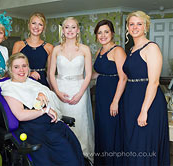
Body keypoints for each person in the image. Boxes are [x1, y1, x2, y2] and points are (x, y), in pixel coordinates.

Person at [0, 52, 85, 166]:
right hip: (33, 128)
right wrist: (45, 110)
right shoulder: (9, 88)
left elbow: (44, 97)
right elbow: (21, 115)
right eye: (16, 67)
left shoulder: (31, 82)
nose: (21, 70)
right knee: (67, 156)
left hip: (50, 124)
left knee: (73, 145)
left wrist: (40, 93)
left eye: (24, 66)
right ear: (10, 69)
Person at [122, 11, 170, 165]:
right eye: (131, 24)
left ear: (146, 27)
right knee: (132, 144)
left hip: (148, 102)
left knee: (143, 143)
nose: (135, 27)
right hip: (131, 100)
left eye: (139, 24)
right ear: (127, 28)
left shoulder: (151, 48)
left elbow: (154, 82)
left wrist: (144, 111)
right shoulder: (130, 50)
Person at [49, 17, 94, 162]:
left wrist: (80, 93)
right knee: (61, 121)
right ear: (63, 30)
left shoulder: (85, 49)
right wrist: (57, 92)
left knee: (80, 122)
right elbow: (51, 74)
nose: (70, 30)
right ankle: (64, 154)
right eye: (66, 27)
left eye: (73, 27)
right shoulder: (56, 49)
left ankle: (82, 155)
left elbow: (88, 75)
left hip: (79, 88)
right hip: (61, 88)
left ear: (78, 30)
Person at [92, 19, 127, 165]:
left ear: (112, 33)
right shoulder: (99, 51)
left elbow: (123, 77)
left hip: (113, 95)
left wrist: (115, 101)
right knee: (102, 130)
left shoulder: (117, 50)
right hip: (101, 95)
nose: (103, 35)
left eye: (106, 32)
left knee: (111, 131)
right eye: (99, 32)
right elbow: (97, 74)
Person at [12, 12, 53, 87]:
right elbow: (12, 69)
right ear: (29, 25)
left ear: (43, 28)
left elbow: (50, 74)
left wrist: (52, 90)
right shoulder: (18, 45)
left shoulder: (49, 47)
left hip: (42, 84)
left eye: (40, 24)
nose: (36, 27)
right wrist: (29, 73)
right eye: (34, 23)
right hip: (22, 83)